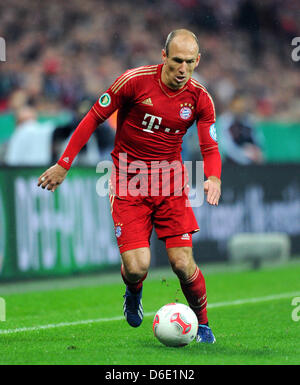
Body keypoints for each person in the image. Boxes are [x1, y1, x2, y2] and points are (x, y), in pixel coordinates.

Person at [38, 29, 221, 344]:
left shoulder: (200, 98)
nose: (182, 69)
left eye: (190, 62)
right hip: (128, 183)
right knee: (137, 268)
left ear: (197, 61)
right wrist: (64, 163)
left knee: (181, 262)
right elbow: (93, 118)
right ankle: (133, 291)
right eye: (177, 60)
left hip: (170, 185)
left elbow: (210, 146)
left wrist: (213, 177)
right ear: (163, 56)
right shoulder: (134, 82)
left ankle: (203, 325)